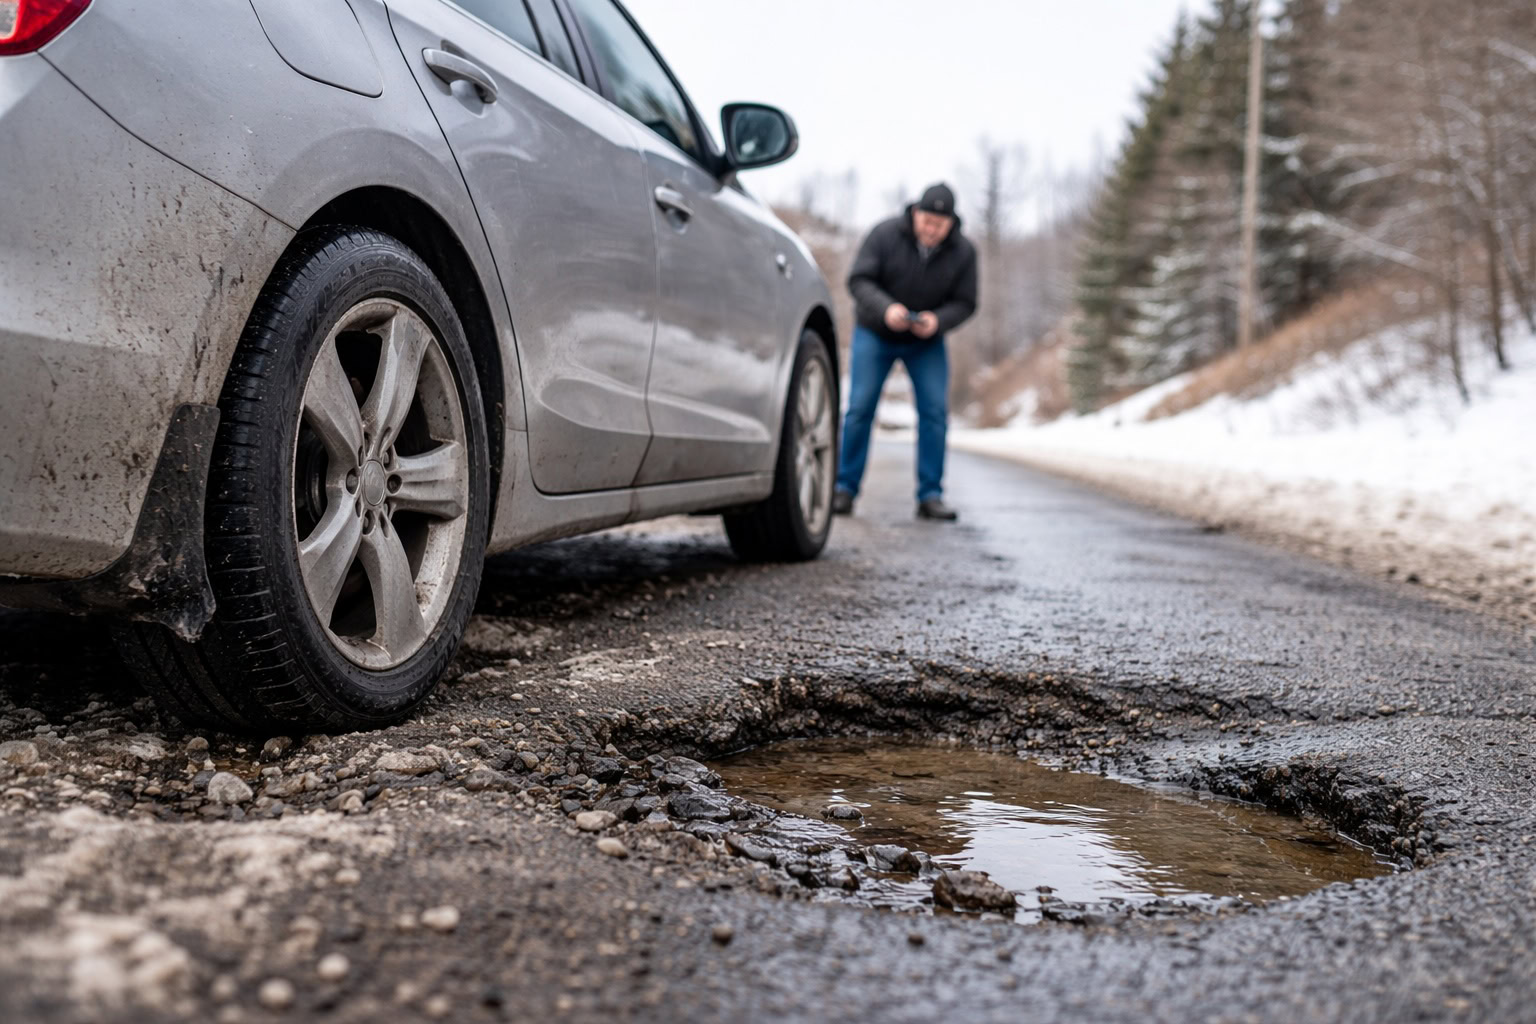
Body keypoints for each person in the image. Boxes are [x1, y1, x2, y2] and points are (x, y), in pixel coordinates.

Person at [833, 183, 978, 521]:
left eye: (939, 226)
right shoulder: (883, 235)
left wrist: (937, 320)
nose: (931, 230)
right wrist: (887, 309)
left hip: (926, 341)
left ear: (951, 224)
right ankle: (844, 489)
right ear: (915, 214)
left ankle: (930, 495)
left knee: (934, 413)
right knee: (859, 408)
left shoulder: (964, 252)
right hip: (876, 331)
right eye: (927, 221)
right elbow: (859, 281)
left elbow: (967, 302)